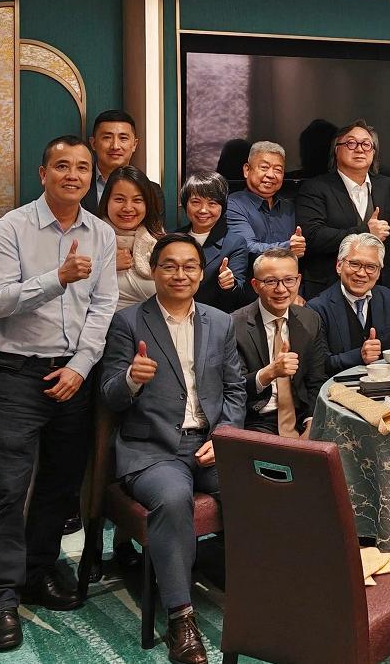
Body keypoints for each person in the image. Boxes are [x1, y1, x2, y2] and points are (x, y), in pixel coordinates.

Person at [0, 135, 118, 651]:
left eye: (81, 167)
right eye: (62, 166)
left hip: (74, 378)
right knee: (8, 488)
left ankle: (37, 571)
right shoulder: (10, 228)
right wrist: (56, 278)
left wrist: (81, 367)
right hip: (18, 375)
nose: (72, 175)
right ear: (43, 173)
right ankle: (2, 597)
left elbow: (103, 306)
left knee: (60, 486)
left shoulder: (101, 233)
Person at [98, 233, 245, 664]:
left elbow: (235, 389)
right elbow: (109, 395)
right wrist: (132, 379)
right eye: (169, 265)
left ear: (200, 273)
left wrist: (223, 435)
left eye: (189, 266)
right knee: (173, 496)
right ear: (154, 271)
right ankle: (181, 617)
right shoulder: (128, 322)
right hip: (152, 449)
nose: (180, 274)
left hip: (208, 443)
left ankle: (261, 592)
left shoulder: (220, 322)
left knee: (255, 488)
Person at [295, 120, 390, 298]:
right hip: (328, 289)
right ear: (336, 150)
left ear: (373, 152)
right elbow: (313, 236)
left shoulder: (387, 186)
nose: (360, 149)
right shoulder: (315, 188)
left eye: (366, 144)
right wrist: (366, 231)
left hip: (379, 288)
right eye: (351, 143)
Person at [232, 248, 329, 437]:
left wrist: (311, 423)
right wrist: (270, 373)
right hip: (257, 420)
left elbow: (316, 381)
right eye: (271, 281)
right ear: (255, 285)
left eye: (289, 280)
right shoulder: (235, 325)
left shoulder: (310, 320)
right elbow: (233, 389)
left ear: (298, 281)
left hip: (301, 417)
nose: (281, 289)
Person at [307, 234, 390, 374]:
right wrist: (359, 355)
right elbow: (319, 364)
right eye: (355, 264)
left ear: (379, 272)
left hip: (388, 382)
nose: (362, 273)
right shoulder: (317, 309)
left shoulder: (388, 298)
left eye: (371, 267)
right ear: (339, 265)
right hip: (339, 385)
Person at [179, 172, 250, 313]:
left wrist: (229, 284)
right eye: (195, 202)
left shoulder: (235, 243)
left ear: (222, 207)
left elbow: (239, 292)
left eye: (212, 203)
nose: (203, 210)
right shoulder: (173, 239)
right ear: (185, 204)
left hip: (213, 318)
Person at [226, 141, 304, 262]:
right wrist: (288, 247)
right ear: (247, 170)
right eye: (264, 167)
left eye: (278, 170)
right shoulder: (233, 204)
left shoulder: (289, 206)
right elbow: (246, 247)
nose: (271, 175)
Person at [102, 165, 165, 310]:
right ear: (106, 201)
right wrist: (107, 266)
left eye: (137, 200)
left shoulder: (161, 243)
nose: (128, 208)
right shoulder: (91, 238)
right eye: (119, 199)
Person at [83, 110, 161, 217]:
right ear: (93, 143)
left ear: (134, 145)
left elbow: (155, 227)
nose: (115, 146)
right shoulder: (77, 184)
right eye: (107, 138)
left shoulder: (153, 191)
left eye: (123, 138)